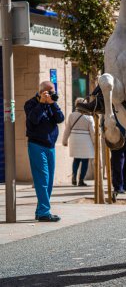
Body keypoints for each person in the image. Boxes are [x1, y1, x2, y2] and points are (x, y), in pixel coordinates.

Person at [24, 81, 64, 222]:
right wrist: (41, 103)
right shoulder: (30, 104)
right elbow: (33, 120)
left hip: (50, 146)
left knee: (49, 181)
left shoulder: (52, 104)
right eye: (49, 92)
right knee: (42, 180)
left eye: (53, 91)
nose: (52, 94)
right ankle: (44, 212)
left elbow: (60, 118)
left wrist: (52, 103)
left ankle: (40, 210)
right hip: (36, 145)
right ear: (41, 92)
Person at [62, 98, 95, 187]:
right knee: (85, 161)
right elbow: (92, 132)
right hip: (85, 140)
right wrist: (95, 143)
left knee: (76, 159)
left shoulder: (72, 115)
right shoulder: (89, 117)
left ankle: (74, 176)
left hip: (74, 139)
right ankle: (81, 180)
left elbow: (67, 129)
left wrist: (64, 140)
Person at [111, 129, 126, 194]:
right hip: (117, 139)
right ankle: (118, 187)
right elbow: (104, 123)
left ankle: (125, 185)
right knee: (118, 164)